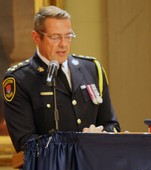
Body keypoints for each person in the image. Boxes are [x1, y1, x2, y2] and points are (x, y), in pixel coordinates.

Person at [2, 6, 120, 153]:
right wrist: (79, 142)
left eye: (68, 36)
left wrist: (101, 137)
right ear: (36, 37)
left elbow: (111, 124)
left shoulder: (92, 69)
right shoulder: (19, 79)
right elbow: (25, 143)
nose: (63, 44)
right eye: (55, 37)